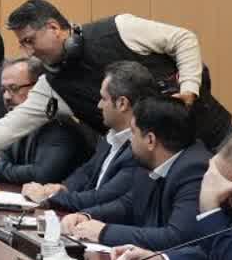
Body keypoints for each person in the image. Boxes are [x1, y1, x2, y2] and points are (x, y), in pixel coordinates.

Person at [0, 0, 231, 165]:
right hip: (157, 163)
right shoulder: (53, 85)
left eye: (30, 41)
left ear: (54, 28)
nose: (27, 52)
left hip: (212, 134)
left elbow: (183, 39)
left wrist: (189, 90)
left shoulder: (119, 28)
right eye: (22, 44)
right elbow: (9, 127)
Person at [61, 96, 208, 249]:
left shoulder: (194, 170)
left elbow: (176, 237)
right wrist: (86, 216)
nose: (130, 141)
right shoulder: (151, 162)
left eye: (133, 132)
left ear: (150, 140)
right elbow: (128, 205)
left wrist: (103, 232)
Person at [22, 62, 155, 211]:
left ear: (122, 103)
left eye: (103, 98)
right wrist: (63, 188)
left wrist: (49, 198)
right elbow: (87, 172)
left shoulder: (141, 149)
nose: (99, 105)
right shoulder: (112, 135)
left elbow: (102, 197)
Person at [0, 58, 91, 186]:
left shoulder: (58, 125)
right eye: (3, 90)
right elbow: (11, 153)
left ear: (39, 88)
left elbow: (42, 175)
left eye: (14, 88)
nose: (6, 97)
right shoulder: (20, 120)